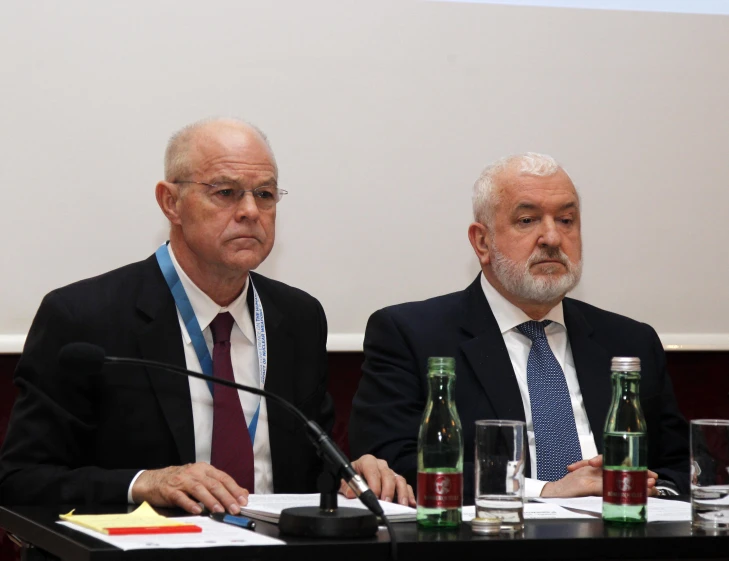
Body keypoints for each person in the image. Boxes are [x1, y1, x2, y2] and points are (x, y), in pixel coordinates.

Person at [0, 118, 414, 514]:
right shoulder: (84, 318)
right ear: (171, 203)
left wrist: (350, 475)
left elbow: (309, 470)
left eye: (265, 194)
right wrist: (143, 483)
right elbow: (20, 479)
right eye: (226, 192)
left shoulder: (298, 317)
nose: (251, 211)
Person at [349, 153, 689, 501]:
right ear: (482, 242)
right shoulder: (411, 336)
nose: (553, 238)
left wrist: (649, 491)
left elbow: (677, 466)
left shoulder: (630, 341)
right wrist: (544, 490)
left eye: (567, 220)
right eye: (527, 220)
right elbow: (392, 466)